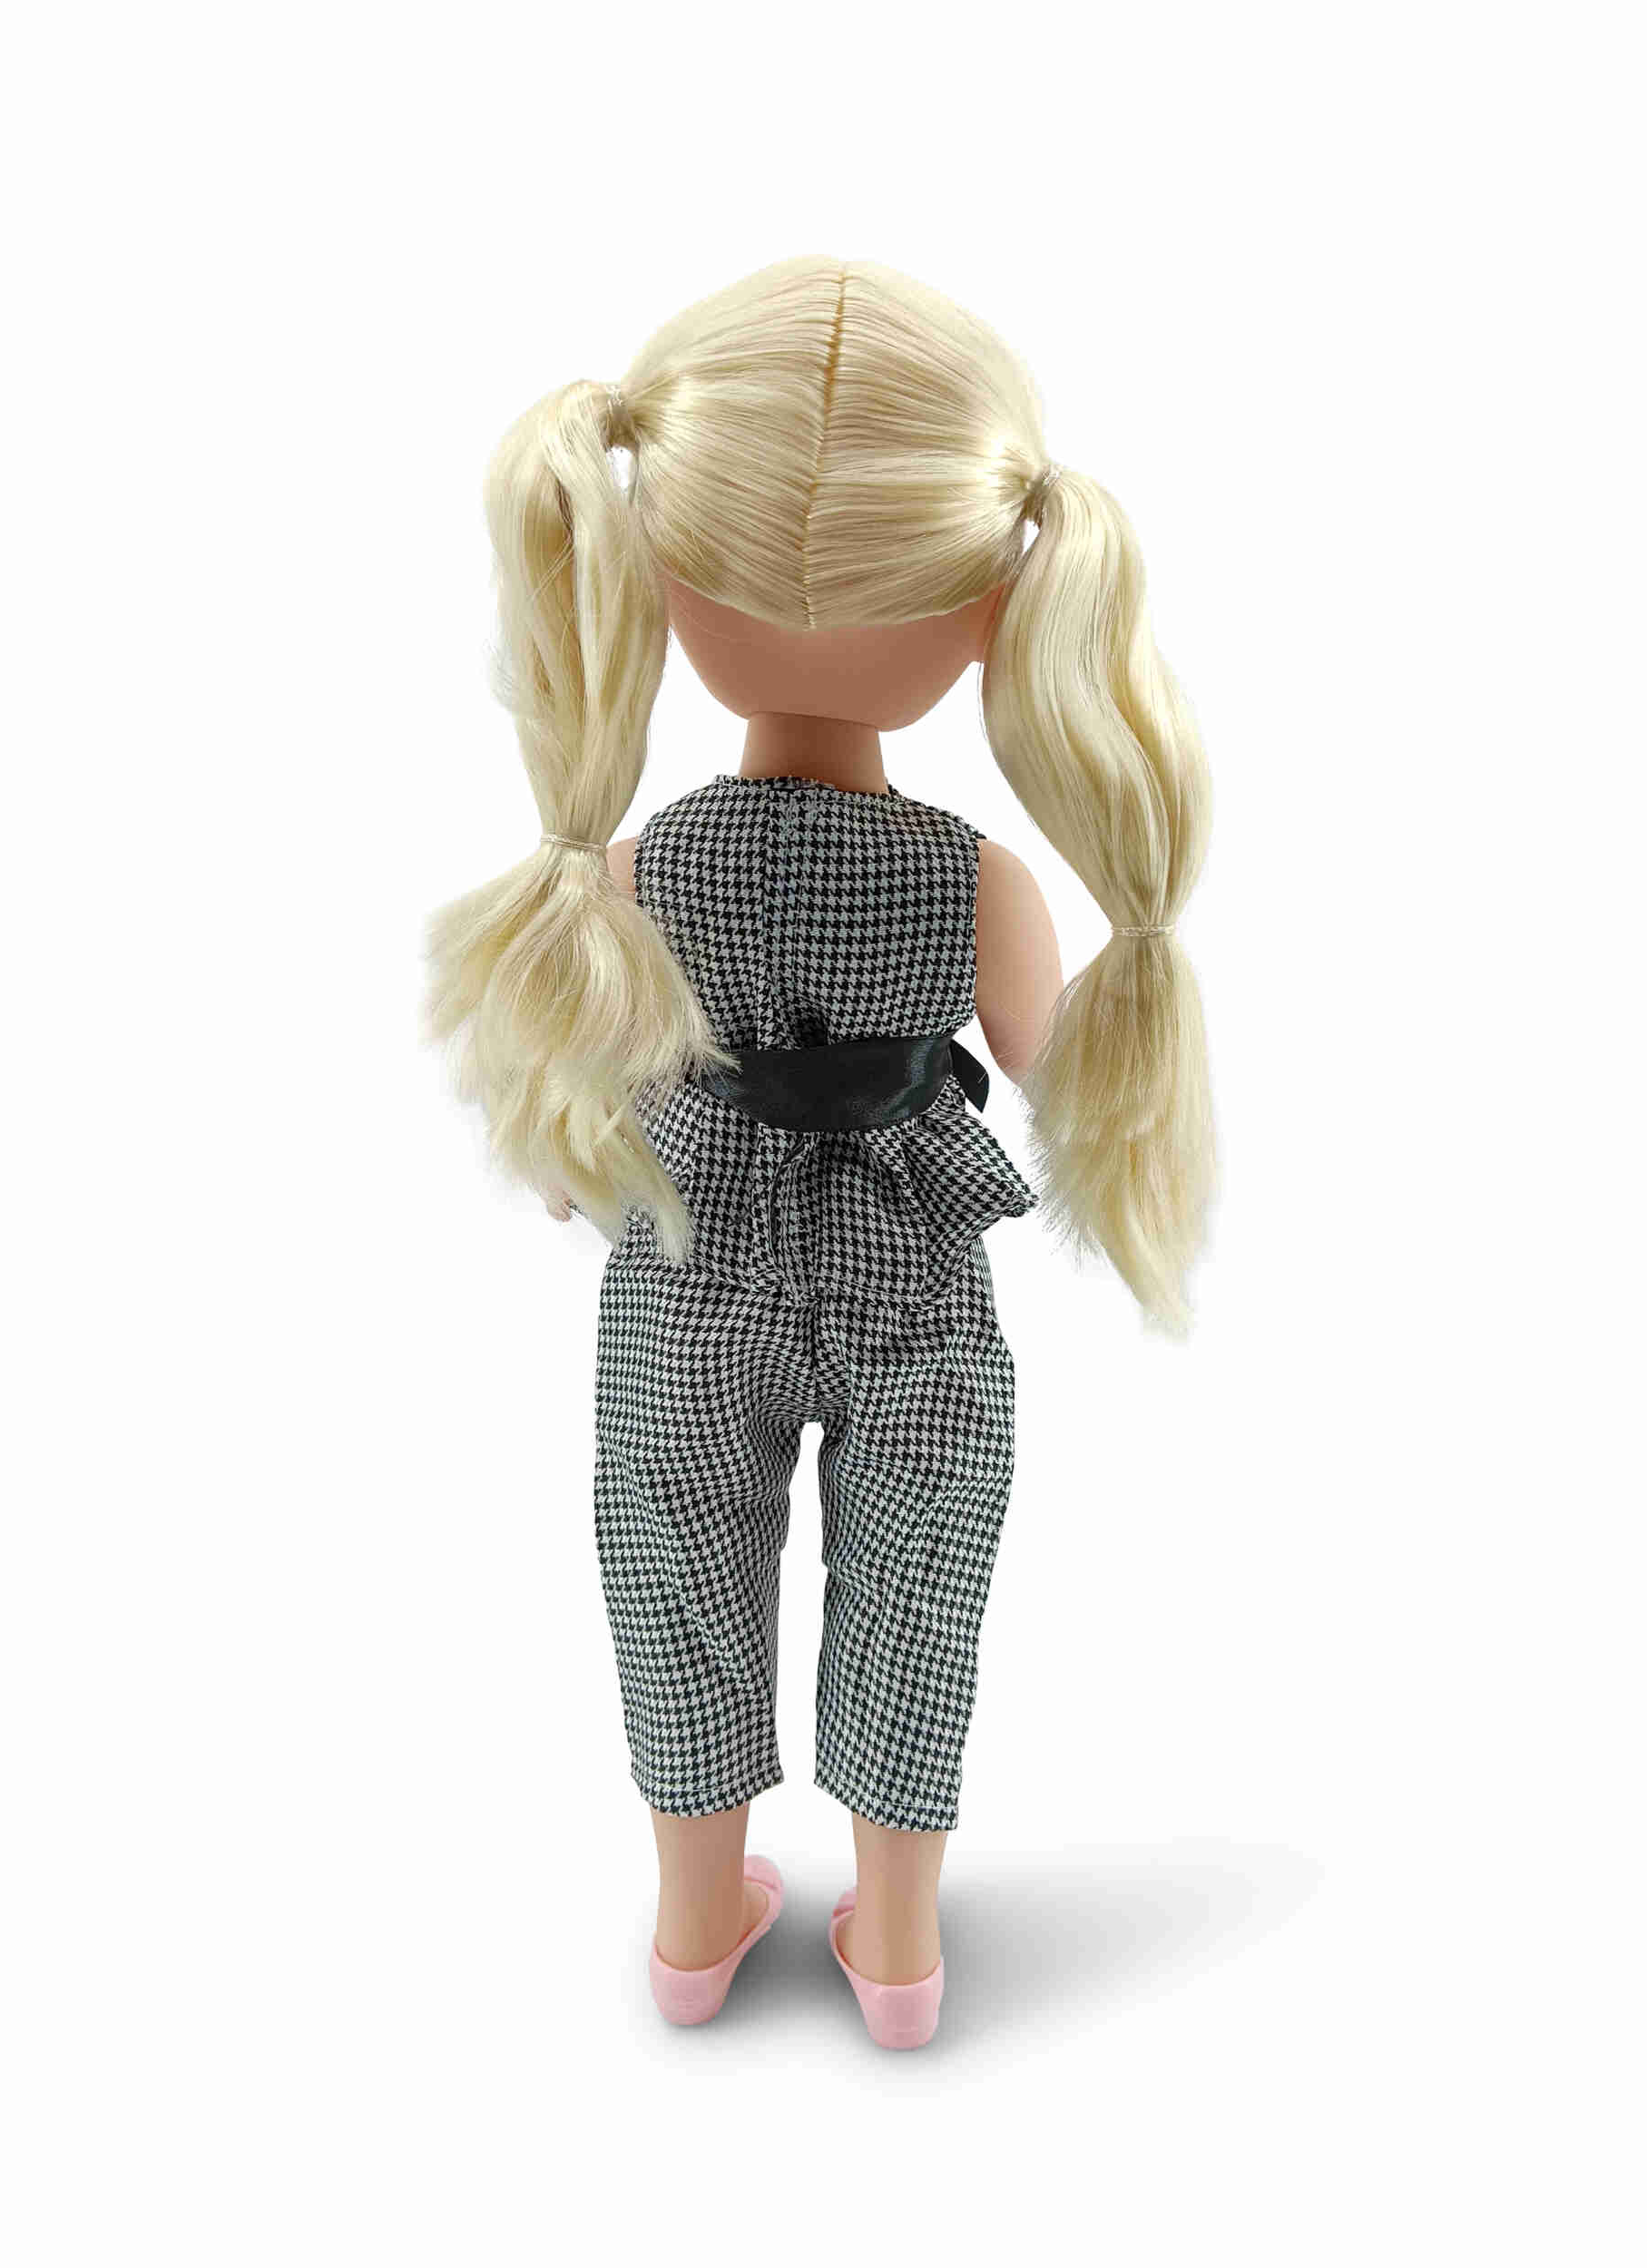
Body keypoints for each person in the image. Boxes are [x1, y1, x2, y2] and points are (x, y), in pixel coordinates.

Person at [427, 257, 1215, 2048]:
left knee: (674, 1554)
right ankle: (901, 1947)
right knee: (918, 1572)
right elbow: (1053, 1076)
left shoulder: (640, 866)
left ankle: (694, 1922)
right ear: (988, 617)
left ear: (656, 578)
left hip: (687, 1267)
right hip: (910, 1282)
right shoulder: (980, 884)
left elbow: (582, 1072)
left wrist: (576, 1153)